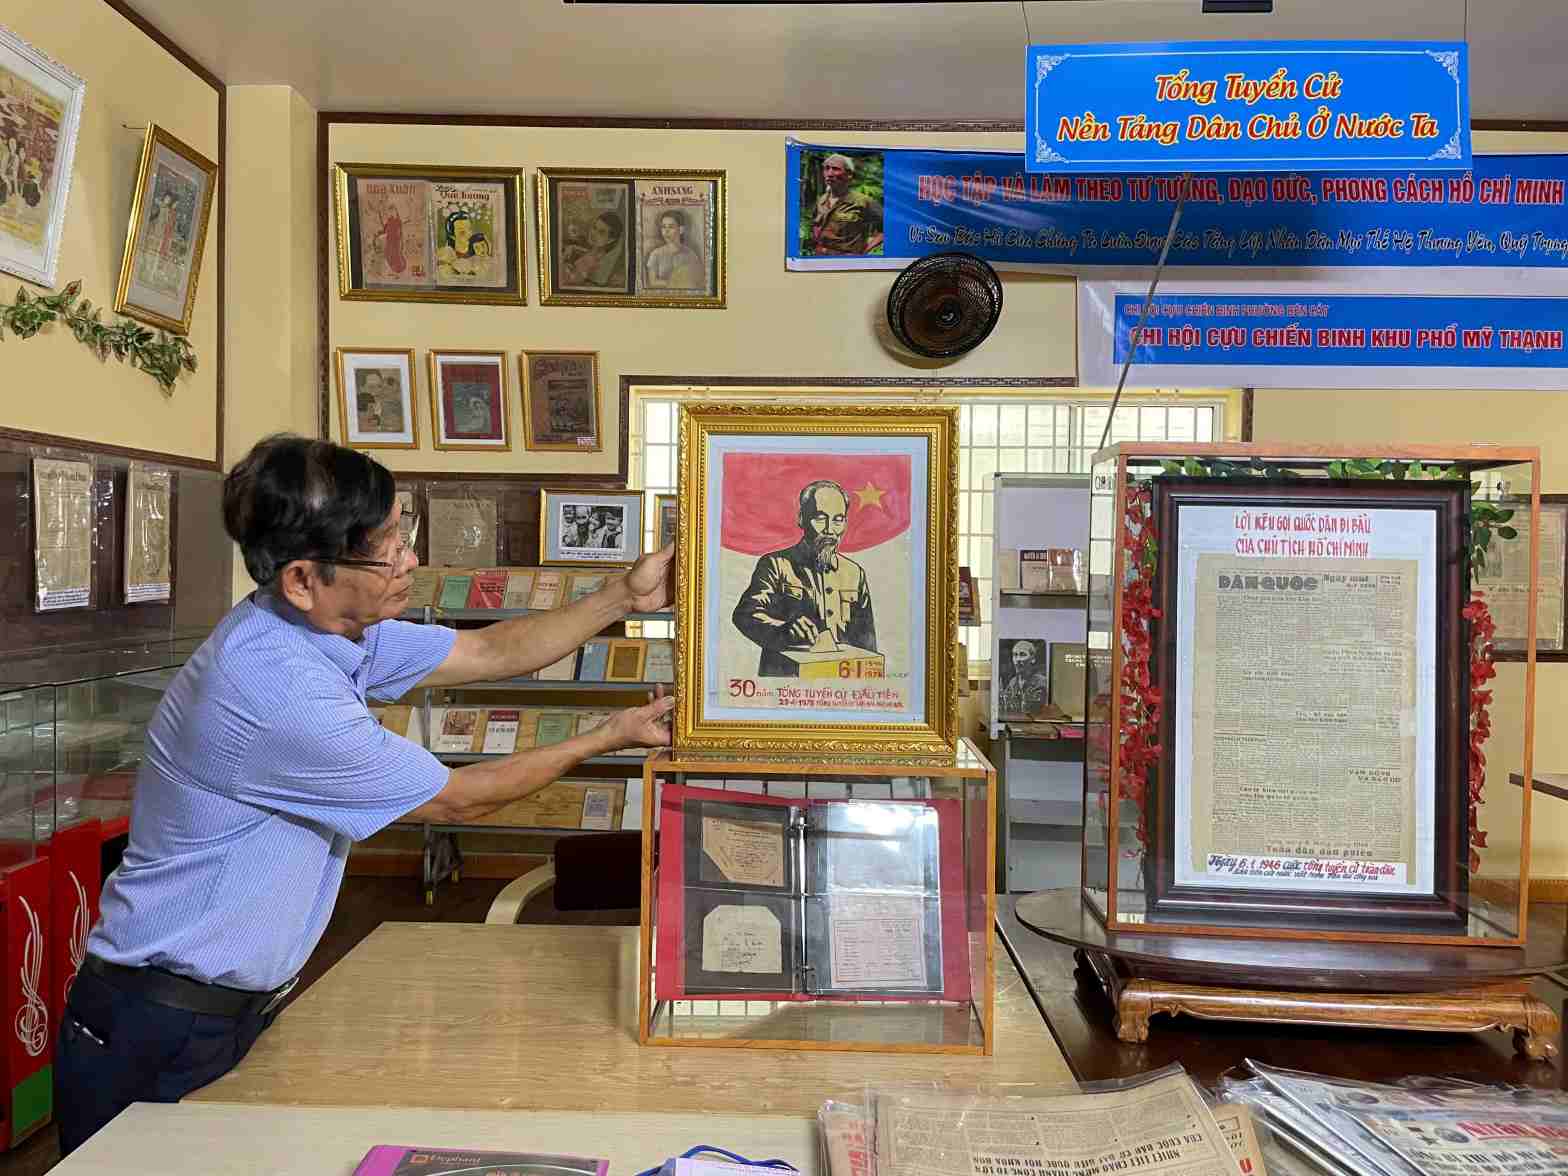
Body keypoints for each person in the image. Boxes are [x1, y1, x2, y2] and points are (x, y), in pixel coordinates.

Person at [55, 435, 676, 1156]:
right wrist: (604, 736)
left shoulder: (320, 627)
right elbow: (459, 800)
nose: (408, 559)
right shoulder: (276, 690)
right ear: (301, 578)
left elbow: (490, 651)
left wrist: (622, 595)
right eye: (386, 547)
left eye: (401, 533)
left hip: (218, 1007)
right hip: (158, 1022)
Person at [731, 479, 876, 677]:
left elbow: (867, 643)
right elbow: (744, 616)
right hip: (785, 687)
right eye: (820, 518)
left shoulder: (855, 573)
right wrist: (784, 630)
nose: (829, 529)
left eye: (838, 519)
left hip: (842, 690)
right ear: (801, 518)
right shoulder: (775, 564)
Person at [810, 153, 884, 256]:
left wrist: (865, 250)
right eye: (826, 168)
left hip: (848, 262)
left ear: (849, 174)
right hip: (821, 260)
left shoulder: (863, 201)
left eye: (835, 169)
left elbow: (889, 227)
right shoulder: (821, 200)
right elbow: (815, 226)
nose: (829, 173)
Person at [642, 208, 704, 290]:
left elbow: (698, 280)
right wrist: (676, 282)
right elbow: (652, 282)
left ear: (681, 230)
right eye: (663, 227)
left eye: (671, 227)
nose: (666, 231)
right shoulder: (655, 254)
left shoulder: (691, 255)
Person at [563, 210, 625, 288]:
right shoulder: (597, 251)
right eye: (594, 227)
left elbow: (573, 281)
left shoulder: (597, 263)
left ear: (611, 240)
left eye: (601, 232)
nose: (593, 233)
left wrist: (565, 263)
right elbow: (588, 253)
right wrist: (573, 248)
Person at [999, 641, 1050, 718]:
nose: (1017, 659)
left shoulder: (1041, 682)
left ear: (1033, 659)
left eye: (1022, 654)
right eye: (1015, 655)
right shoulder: (1012, 682)